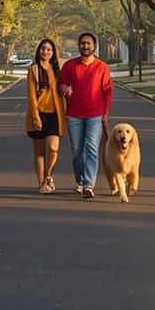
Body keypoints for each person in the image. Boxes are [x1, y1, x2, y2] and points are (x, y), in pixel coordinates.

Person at [60, 32, 113, 199]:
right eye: (82, 43)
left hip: (95, 114)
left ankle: (89, 184)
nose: (85, 46)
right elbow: (62, 84)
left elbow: (107, 92)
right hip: (74, 113)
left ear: (94, 46)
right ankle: (80, 180)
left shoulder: (102, 67)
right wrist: (64, 90)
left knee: (91, 148)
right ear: (79, 45)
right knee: (77, 149)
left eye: (88, 43)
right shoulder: (69, 66)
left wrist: (106, 112)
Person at [24, 38, 66, 194]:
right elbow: (31, 96)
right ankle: (41, 183)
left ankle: (48, 175)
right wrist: (35, 115)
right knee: (39, 152)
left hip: (55, 115)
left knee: (53, 148)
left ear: (53, 52)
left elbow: (60, 90)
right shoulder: (33, 69)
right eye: (43, 49)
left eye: (49, 49)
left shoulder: (56, 69)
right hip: (39, 114)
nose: (46, 52)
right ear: (38, 51)